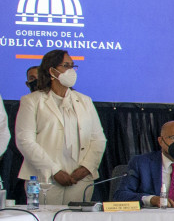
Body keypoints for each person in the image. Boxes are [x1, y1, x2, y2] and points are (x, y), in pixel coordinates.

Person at [14, 48, 106, 206]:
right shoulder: (32, 101)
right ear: (52, 71)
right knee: (45, 220)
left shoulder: (85, 101)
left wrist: (85, 168)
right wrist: (54, 170)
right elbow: (25, 141)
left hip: (80, 179)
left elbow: (98, 139)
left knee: (77, 220)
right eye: (66, 66)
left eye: (72, 66)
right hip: (45, 178)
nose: (71, 70)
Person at [115, 120, 174, 207]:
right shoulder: (141, 163)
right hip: (153, 217)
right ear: (161, 141)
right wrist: (151, 199)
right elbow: (121, 195)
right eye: (173, 137)